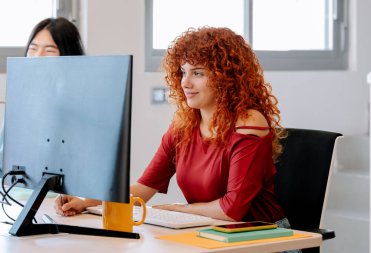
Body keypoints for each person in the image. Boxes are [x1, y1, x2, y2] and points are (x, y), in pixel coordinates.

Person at [55, 26, 290, 224]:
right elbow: (143, 189)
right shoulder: (183, 126)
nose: (185, 82)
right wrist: (87, 202)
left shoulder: (249, 123)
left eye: (198, 73)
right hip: (208, 235)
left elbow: (232, 210)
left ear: (226, 77)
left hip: (265, 239)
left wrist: (178, 210)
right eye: (182, 72)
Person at [0, 17, 84, 172]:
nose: (38, 55)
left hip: (60, 191)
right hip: (16, 188)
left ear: (68, 54)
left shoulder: (79, 103)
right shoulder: (21, 99)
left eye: (50, 50)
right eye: (33, 48)